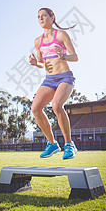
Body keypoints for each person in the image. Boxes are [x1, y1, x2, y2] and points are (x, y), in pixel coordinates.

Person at [29, 8, 78, 159]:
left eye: (44, 15)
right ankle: (52, 144)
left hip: (65, 77)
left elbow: (75, 57)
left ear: (52, 17)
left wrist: (63, 56)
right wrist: (34, 63)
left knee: (56, 105)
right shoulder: (38, 41)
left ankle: (69, 144)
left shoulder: (61, 35)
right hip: (49, 79)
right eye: (38, 17)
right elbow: (42, 63)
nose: (41, 18)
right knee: (35, 108)